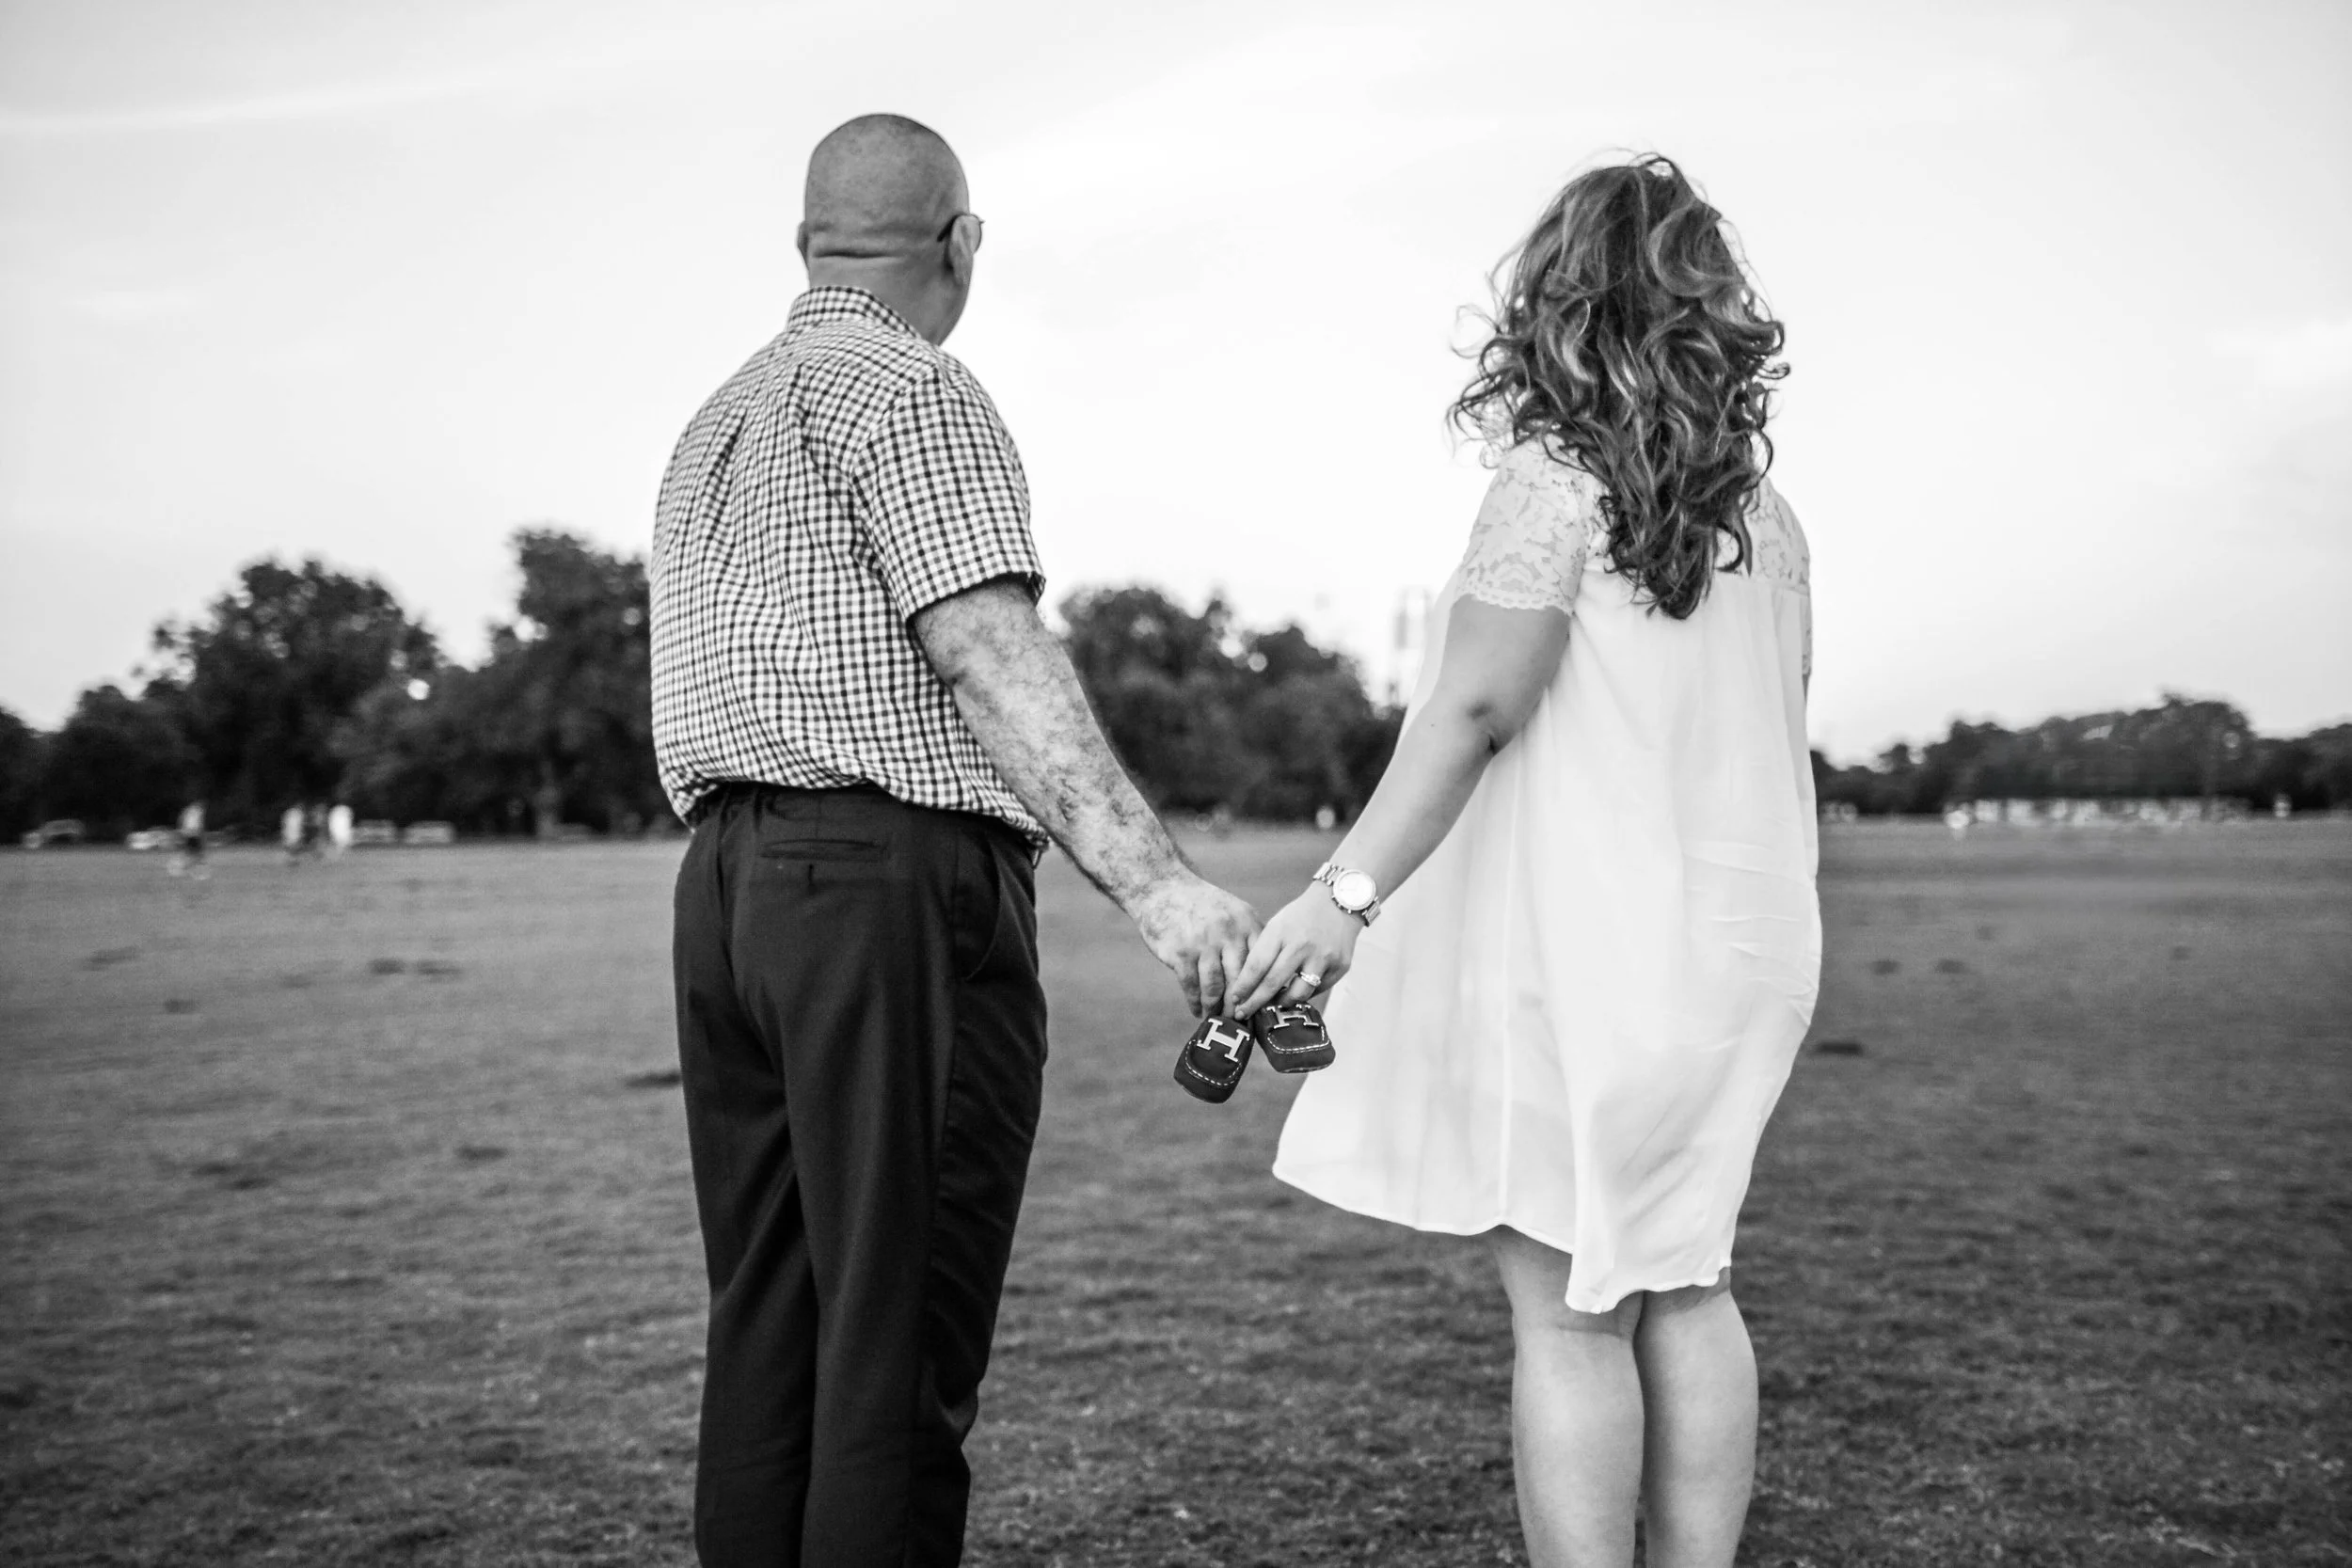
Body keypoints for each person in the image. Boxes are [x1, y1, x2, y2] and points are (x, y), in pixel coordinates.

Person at [650, 113, 1259, 1568]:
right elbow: (988, 654)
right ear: (960, 241)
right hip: (885, 893)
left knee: (774, 1334)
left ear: (807, 245)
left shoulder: (713, 422)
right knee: (896, 1350)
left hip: (728, 895)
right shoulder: (915, 393)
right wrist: (1162, 888)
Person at [1231, 155, 1820, 1568]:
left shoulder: (1556, 481)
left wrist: (1344, 894)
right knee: (1688, 1279)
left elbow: (1477, 706)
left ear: (1558, 303)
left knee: (1569, 1312)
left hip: (1598, 952)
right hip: (1738, 954)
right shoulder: (1772, 524)